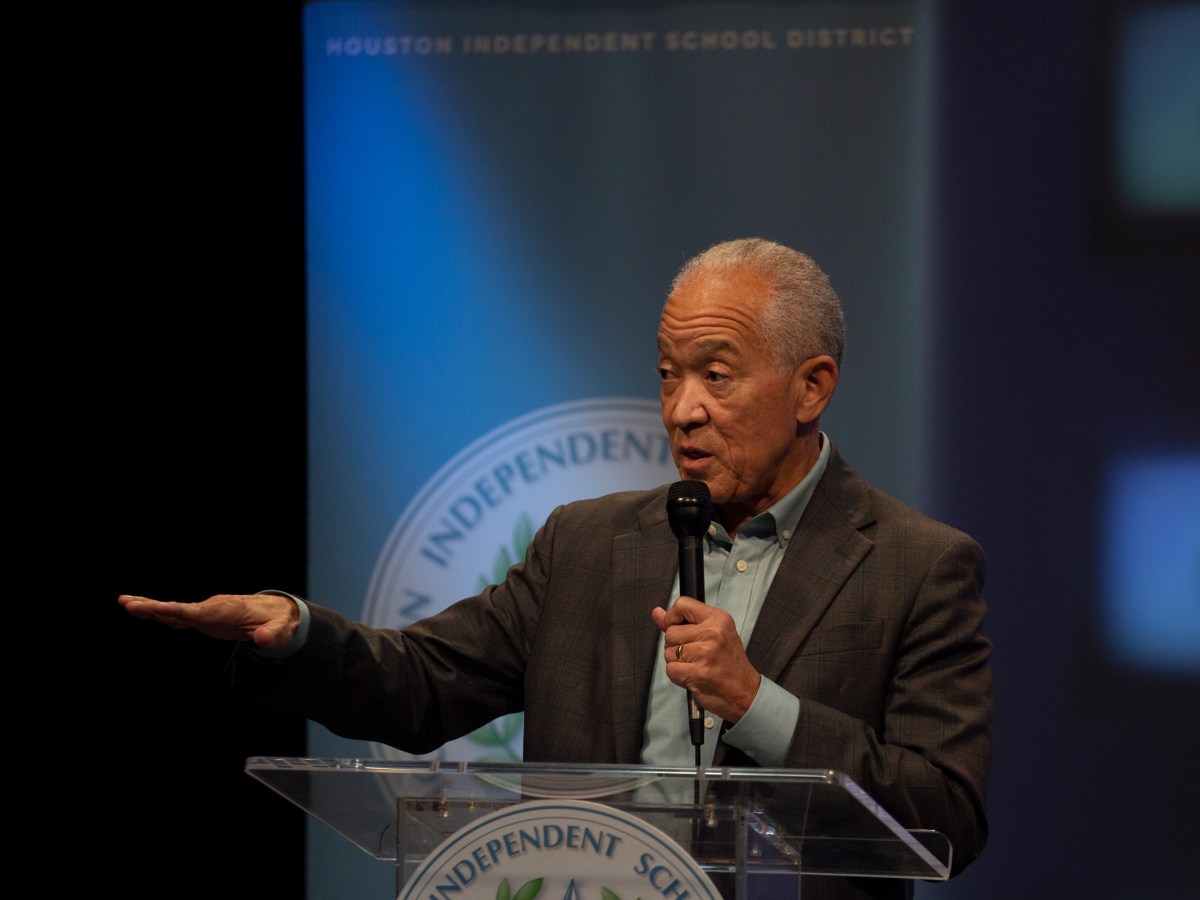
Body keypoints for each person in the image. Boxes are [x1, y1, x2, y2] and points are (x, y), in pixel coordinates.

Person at [120, 237, 992, 899]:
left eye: (717, 376)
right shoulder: (588, 545)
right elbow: (424, 684)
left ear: (812, 387)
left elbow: (945, 813)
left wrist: (753, 702)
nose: (683, 410)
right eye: (667, 375)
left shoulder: (918, 566)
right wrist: (295, 632)